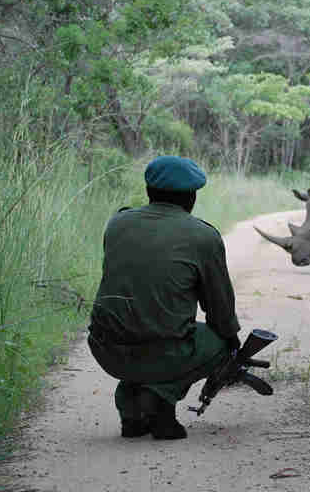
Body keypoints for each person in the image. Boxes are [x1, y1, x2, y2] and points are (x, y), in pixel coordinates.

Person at [87, 156, 241, 440]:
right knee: (219, 340)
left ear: (149, 192)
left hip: (105, 348)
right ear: (192, 197)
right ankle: (159, 404)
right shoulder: (202, 236)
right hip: (161, 353)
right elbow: (219, 310)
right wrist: (232, 344)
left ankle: (131, 413)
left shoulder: (117, 224)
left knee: (141, 331)